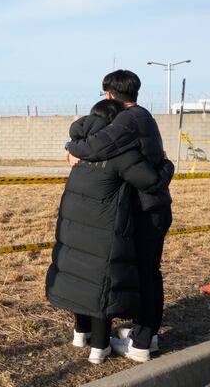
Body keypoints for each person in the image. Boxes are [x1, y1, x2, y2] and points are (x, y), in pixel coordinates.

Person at [46, 99, 174, 365]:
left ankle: (81, 333)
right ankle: (102, 347)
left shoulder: (81, 149)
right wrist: (167, 166)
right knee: (100, 280)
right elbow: (149, 180)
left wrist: (68, 146)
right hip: (103, 227)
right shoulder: (118, 153)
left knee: (79, 275)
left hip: (72, 226)